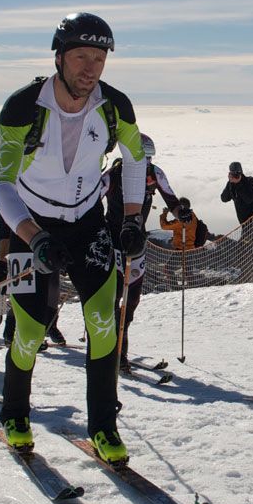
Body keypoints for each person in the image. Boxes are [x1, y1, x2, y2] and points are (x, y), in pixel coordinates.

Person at [0, 11, 149, 463]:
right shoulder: (23, 107)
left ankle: (103, 427)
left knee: (103, 325)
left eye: (99, 58)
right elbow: (2, 183)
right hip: (31, 226)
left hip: (87, 224)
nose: (91, 68)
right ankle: (15, 412)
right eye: (82, 56)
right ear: (59, 57)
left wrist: (133, 219)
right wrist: (33, 235)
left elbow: (136, 157)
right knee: (30, 329)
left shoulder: (116, 106)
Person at [105, 133, 180, 369]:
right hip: (112, 241)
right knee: (114, 298)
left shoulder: (154, 174)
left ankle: (120, 347)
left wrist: (182, 213)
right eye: (141, 157)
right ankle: (114, 352)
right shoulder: (114, 175)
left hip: (138, 242)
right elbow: (90, 199)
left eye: (149, 157)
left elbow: (171, 199)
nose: (145, 162)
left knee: (132, 300)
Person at [221, 161, 253, 246]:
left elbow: (249, 199)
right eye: (233, 173)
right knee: (246, 248)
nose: (235, 176)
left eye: (237, 173)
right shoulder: (231, 184)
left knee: (243, 247)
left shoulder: (250, 181)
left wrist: (238, 184)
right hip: (245, 225)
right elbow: (224, 198)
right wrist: (230, 183)